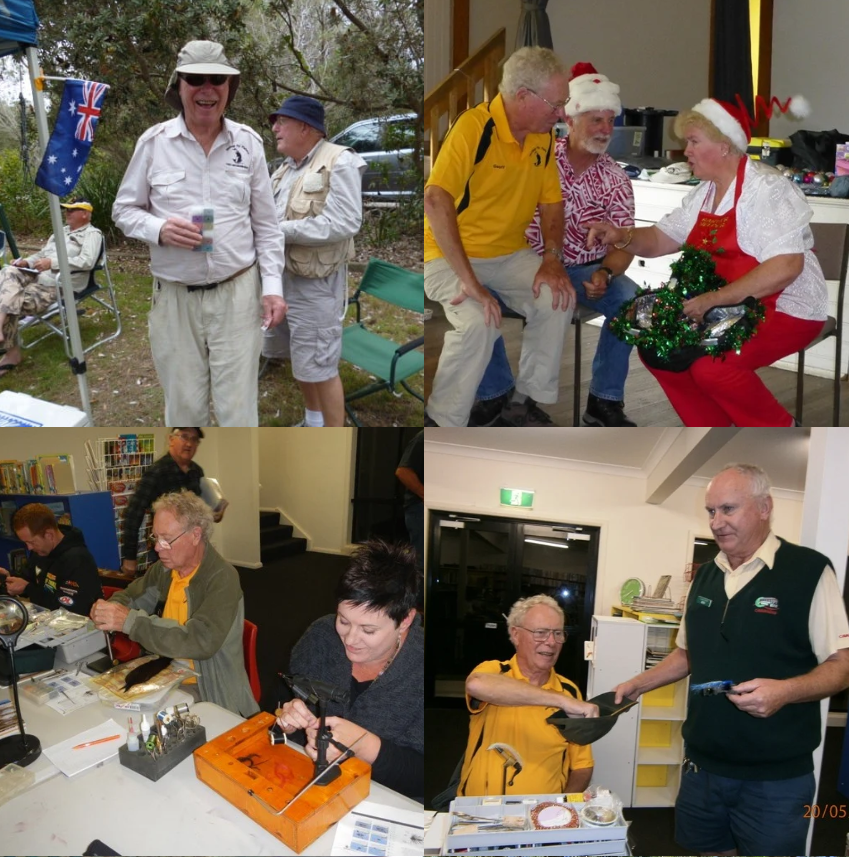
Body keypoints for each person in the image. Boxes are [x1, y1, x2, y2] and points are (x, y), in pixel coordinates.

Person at [612, 464, 849, 856]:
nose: (717, 522)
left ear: (764, 507)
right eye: (710, 511)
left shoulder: (808, 571)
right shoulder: (705, 576)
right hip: (703, 767)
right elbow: (688, 654)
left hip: (775, 779)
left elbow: (842, 664)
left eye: (728, 509)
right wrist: (638, 684)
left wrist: (785, 692)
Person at [587, 96, 828, 427]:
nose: (685, 150)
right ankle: (711, 439)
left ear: (725, 146)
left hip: (786, 305)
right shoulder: (704, 193)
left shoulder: (767, 190)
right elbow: (660, 240)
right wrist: (620, 236)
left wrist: (713, 299)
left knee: (714, 367)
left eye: (693, 141)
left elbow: (786, 266)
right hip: (724, 307)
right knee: (658, 353)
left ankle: (784, 438)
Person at [112, 40, 286, 426]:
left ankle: (235, 485)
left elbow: (267, 226)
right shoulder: (154, 143)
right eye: (195, 79)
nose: (207, 88)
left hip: (239, 295)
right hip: (174, 300)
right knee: (185, 410)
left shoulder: (249, 144)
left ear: (229, 89)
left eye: (217, 80)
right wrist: (159, 228)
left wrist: (272, 286)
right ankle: (189, 487)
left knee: (237, 410)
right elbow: (123, 210)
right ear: (179, 86)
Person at [471, 63, 640, 428]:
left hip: (587, 269)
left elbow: (624, 242)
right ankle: (497, 394)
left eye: (610, 121)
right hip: (525, 261)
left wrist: (605, 272)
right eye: (596, 120)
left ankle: (604, 402)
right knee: (473, 296)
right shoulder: (539, 154)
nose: (605, 130)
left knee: (631, 302)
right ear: (572, 118)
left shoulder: (616, 179)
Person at [423, 47, 576, 427]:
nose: (562, 114)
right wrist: (470, 281)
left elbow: (552, 205)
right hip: (447, 255)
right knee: (479, 322)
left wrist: (552, 261)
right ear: (523, 96)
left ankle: (523, 402)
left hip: (508, 255)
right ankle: (441, 422)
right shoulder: (473, 128)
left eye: (565, 103)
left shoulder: (542, 137)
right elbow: (435, 199)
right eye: (556, 104)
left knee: (558, 297)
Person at [275, 540, 422, 800]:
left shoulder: (421, 671)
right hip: (307, 786)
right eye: (343, 621)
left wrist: (367, 747)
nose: (350, 639)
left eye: (368, 630)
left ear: (405, 620)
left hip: (382, 801)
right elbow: (281, 701)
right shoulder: (321, 636)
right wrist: (287, 721)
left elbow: (421, 779)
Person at [90, 490, 258, 717]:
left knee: (143, 724)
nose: (158, 548)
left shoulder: (222, 577)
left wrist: (129, 621)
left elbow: (200, 642)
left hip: (205, 683)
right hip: (166, 670)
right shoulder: (164, 569)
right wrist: (110, 608)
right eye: (155, 538)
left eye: (166, 540)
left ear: (196, 535)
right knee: (105, 706)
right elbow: (130, 596)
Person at [262, 96, 366, 428]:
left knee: (321, 365)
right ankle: (313, 420)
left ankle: (333, 437)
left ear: (305, 127)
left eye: (281, 121)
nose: (275, 128)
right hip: (283, 282)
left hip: (316, 287)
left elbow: (346, 222)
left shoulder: (340, 161)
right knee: (302, 359)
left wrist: (279, 232)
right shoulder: (284, 170)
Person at [458, 595, 598, 796]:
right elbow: (476, 684)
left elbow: (582, 766)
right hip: (479, 814)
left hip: (542, 817)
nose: (551, 642)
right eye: (541, 633)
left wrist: (561, 805)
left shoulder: (570, 691)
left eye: (558, 633)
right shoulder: (495, 671)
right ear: (515, 635)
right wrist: (560, 701)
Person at [0, 198, 101, 377]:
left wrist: (52, 263)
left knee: (12, 298)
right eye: (66, 209)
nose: (67, 212)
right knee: (8, 270)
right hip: (37, 275)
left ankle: (12, 353)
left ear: (85, 214)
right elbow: (42, 254)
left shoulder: (92, 234)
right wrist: (26, 261)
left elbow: (87, 261)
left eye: (72, 210)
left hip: (60, 283)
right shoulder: (60, 232)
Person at [120, 428, 224, 576]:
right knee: (165, 592)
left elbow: (198, 509)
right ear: (171, 439)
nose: (189, 443)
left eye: (194, 439)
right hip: (166, 550)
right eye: (184, 437)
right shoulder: (156, 472)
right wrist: (129, 557)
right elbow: (133, 513)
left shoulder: (196, 471)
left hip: (193, 549)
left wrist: (214, 511)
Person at [0, 503, 102, 616]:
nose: (29, 547)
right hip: (46, 619)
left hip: (78, 625)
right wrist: (8, 577)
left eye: (31, 542)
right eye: (25, 542)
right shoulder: (40, 551)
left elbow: (70, 608)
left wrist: (27, 588)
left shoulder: (78, 559)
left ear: (49, 535)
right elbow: (28, 577)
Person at [395, 430, 423, 569]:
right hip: (419, 508)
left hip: (423, 507)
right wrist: (426, 496)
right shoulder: (423, 437)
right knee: (421, 563)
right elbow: (403, 472)